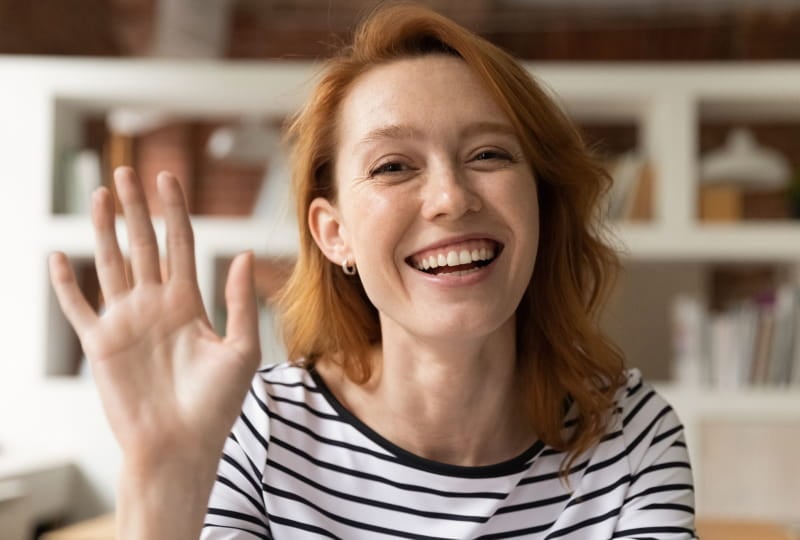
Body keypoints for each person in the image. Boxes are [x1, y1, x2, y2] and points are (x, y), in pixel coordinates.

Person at [48, 3, 697, 539]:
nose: (450, 197)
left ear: (542, 205)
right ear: (335, 235)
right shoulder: (257, 428)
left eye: (490, 153)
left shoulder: (631, 437)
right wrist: (167, 473)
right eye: (393, 166)